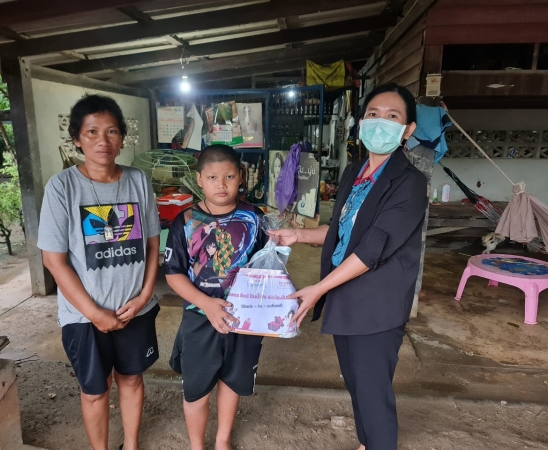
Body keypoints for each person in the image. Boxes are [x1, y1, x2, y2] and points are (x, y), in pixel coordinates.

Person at [270, 83, 428, 450]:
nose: (380, 121)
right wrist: (298, 235)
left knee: (373, 391)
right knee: (357, 383)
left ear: (408, 130)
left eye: (392, 116)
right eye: (373, 114)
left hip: (377, 304)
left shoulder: (409, 182)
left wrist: (318, 289)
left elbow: (373, 248)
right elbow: (344, 231)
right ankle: (367, 442)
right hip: (345, 294)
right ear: (360, 121)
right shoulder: (355, 173)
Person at [37, 94, 161, 450]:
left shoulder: (138, 181)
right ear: (77, 139)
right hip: (84, 316)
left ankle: (131, 445)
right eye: (92, 132)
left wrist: (143, 297)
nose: (102, 141)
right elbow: (54, 261)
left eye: (111, 131)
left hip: (134, 309)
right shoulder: (62, 187)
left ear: (122, 138)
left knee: (131, 380)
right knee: (95, 390)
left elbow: (152, 244)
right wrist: (94, 313)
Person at [164, 144, 269, 450]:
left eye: (229, 177)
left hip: (242, 318)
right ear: (199, 179)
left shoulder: (254, 217)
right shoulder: (185, 221)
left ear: (241, 177)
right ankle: (197, 445)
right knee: (196, 389)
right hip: (199, 319)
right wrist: (207, 304)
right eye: (212, 177)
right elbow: (173, 273)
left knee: (232, 381)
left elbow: (267, 266)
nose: (221, 185)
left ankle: (222, 440)